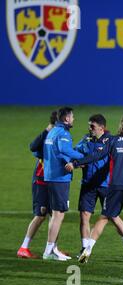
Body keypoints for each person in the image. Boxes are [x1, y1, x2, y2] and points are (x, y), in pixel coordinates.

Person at [72, 113, 123, 264]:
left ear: (122, 124)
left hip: (114, 185)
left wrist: (76, 163)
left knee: (104, 217)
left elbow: (97, 156)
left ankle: (88, 248)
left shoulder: (113, 141)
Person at [17, 111, 63, 259]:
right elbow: (33, 146)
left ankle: (54, 249)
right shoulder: (47, 136)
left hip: (52, 181)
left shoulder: (57, 135)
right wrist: (47, 129)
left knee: (54, 215)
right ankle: (24, 247)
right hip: (41, 181)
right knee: (40, 215)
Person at [43, 107, 85, 261]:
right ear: (66, 119)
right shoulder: (63, 133)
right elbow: (64, 149)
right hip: (59, 178)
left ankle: (52, 248)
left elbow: (56, 152)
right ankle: (49, 251)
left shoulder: (53, 131)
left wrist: (68, 160)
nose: (73, 119)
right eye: (72, 117)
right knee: (58, 214)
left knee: (55, 214)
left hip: (50, 176)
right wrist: (83, 157)